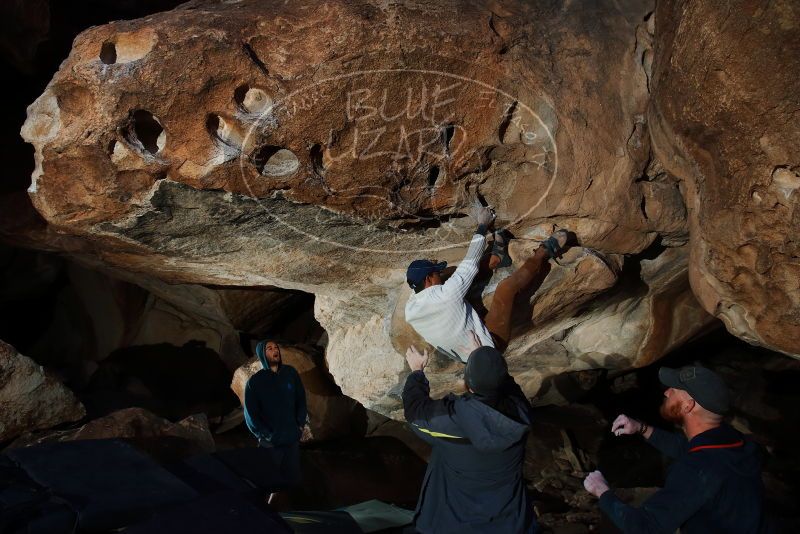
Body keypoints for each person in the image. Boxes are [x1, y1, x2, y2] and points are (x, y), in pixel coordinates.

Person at [583, 365, 771, 533]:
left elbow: (646, 526)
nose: (666, 392)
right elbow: (688, 449)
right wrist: (642, 428)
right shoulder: (735, 441)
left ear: (688, 405)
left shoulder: (697, 471)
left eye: (674, 390)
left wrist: (602, 491)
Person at [402, 335, 537, 533]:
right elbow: (507, 386)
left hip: (455, 522)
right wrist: (484, 358)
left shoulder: (452, 421)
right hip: (509, 522)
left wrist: (416, 372)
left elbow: (415, 414)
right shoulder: (521, 413)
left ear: (468, 385)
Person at [405, 204, 572, 362]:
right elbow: (469, 262)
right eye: (436, 273)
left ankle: (497, 258)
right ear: (427, 279)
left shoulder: (411, 309)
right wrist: (482, 226)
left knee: (455, 277)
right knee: (504, 289)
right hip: (489, 347)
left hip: (466, 352)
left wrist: (436, 273)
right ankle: (544, 252)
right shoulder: (446, 296)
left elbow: (432, 283)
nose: (439, 275)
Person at [243, 339, 307, 503]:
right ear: (262, 354)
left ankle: (278, 513)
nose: (275, 350)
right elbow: (251, 414)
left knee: (291, 480)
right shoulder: (255, 382)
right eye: (269, 348)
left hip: (291, 438)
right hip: (270, 442)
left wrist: (299, 425)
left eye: (276, 347)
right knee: (265, 481)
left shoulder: (290, 373)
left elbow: (301, 399)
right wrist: (266, 435)